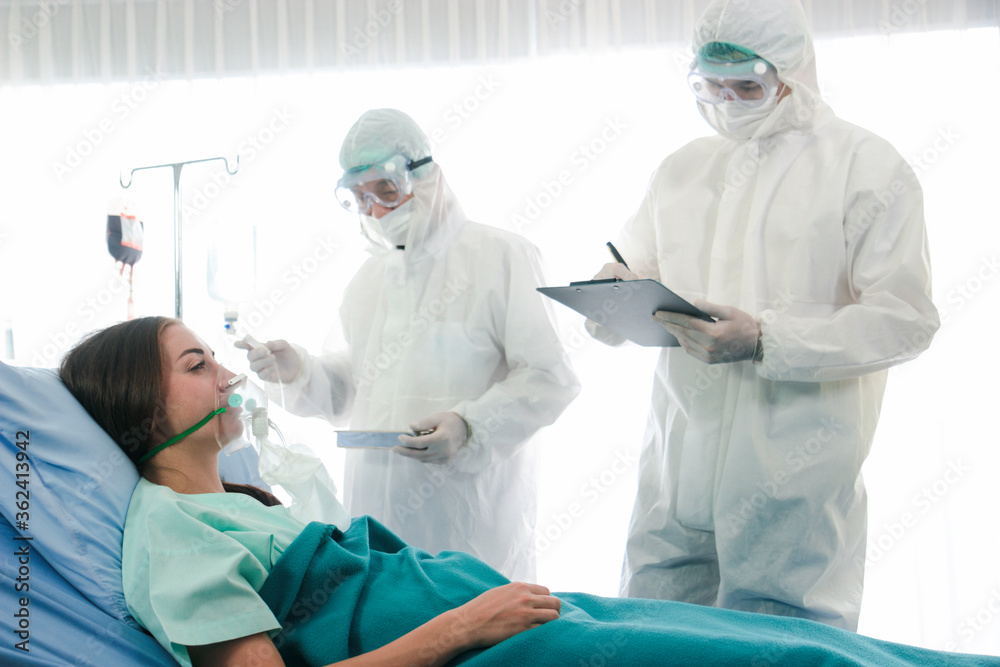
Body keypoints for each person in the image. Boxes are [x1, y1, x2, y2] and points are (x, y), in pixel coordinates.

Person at [58, 317, 996, 667]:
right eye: (198, 363)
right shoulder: (168, 531)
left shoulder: (229, 501)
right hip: (474, 633)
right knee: (788, 663)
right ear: (142, 405)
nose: (228, 373)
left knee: (788, 640)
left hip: (489, 606)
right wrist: (464, 626)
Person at [587, 0, 940, 631]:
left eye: (746, 86)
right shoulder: (683, 168)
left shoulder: (864, 165)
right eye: (711, 87)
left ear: (792, 72)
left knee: (784, 639)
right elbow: (633, 264)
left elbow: (905, 318)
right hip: (678, 465)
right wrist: (611, 289)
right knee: (656, 632)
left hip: (795, 474)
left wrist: (766, 339)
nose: (728, 102)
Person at [237, 108, 580, 581]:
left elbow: (549, 378)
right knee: (389, 619)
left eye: (386, 190)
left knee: (478, 619)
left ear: (425, 176)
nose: (375, 210)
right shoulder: (370, 278)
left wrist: (470, 426)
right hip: (377, 517)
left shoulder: (501, 256)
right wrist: (300, 371)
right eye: (360, 197)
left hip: (470, 522)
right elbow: (349, 392)